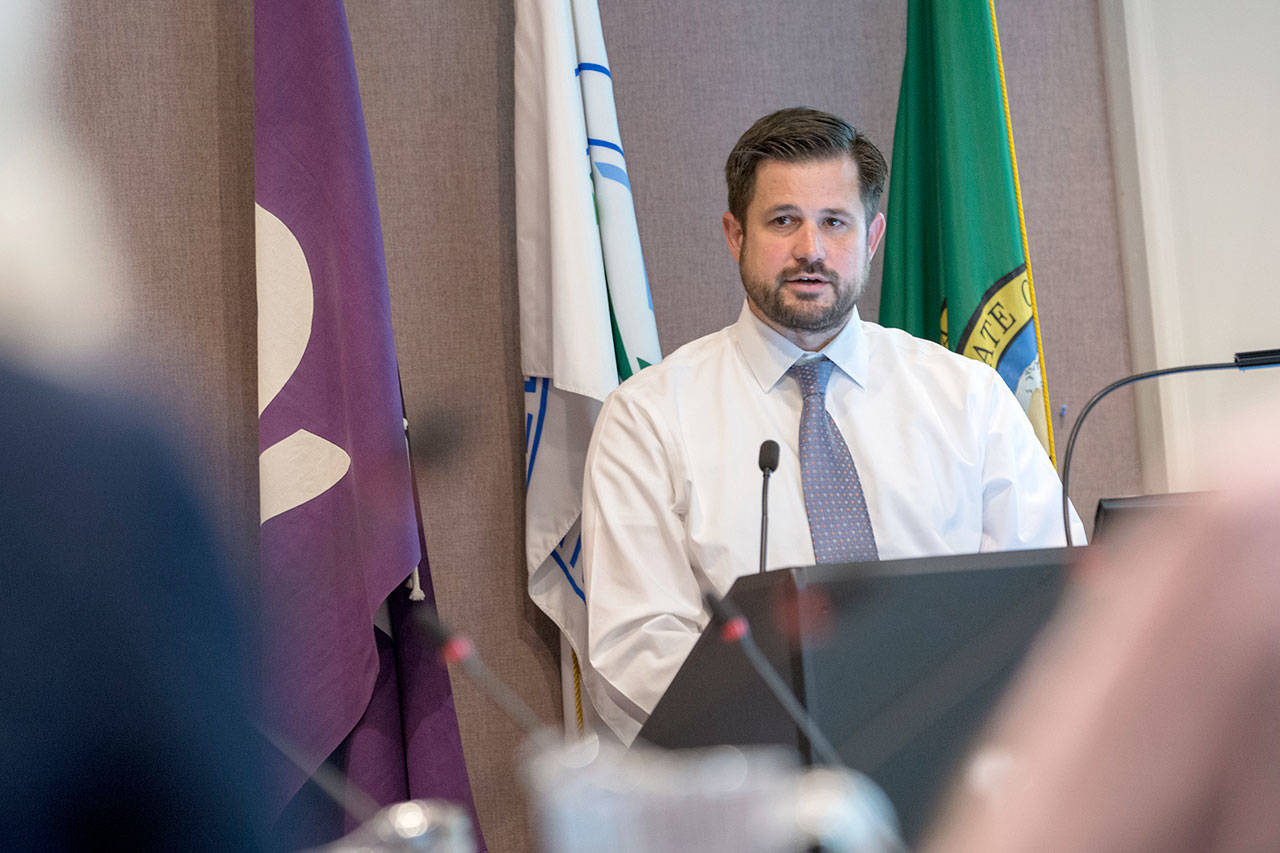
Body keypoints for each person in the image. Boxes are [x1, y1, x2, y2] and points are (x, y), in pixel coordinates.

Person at [578, 107, 1084, 744]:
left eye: (834, 222)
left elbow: (1050, 588)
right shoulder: (648, 417)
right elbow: (637, 646)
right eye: (783, 220)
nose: (810, 250)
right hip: (760, 776)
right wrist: (806, 741)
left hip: (963, 759)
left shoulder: (967, 396)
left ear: (872, 238)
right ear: (735, 235)